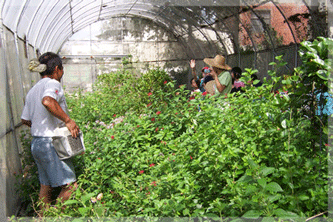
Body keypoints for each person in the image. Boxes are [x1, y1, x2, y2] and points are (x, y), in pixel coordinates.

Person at [21, 52, 80, 215]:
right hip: (51, 143)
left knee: (45, 187)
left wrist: (41, 125)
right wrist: (68, 121)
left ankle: (42, 218)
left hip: (37, 143)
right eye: (62, 69)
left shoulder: (33, 90)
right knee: (70, 187)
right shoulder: (53, 84)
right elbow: (47, 101)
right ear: (57, 69)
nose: (62, 73)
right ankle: (56, 217)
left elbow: (25, 119)